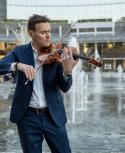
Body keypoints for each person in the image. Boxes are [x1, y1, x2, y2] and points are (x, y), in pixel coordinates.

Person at [0, 14, 78, 153]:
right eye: (43, 32)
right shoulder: (19, 51)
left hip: (53, 116)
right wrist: (19, 66)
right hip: (27, 117)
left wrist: (67, 71)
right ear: (31, 33)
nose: (48, 36)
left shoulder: (56, 54)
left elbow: (65, 87)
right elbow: (1, 65)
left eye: (49, 31)